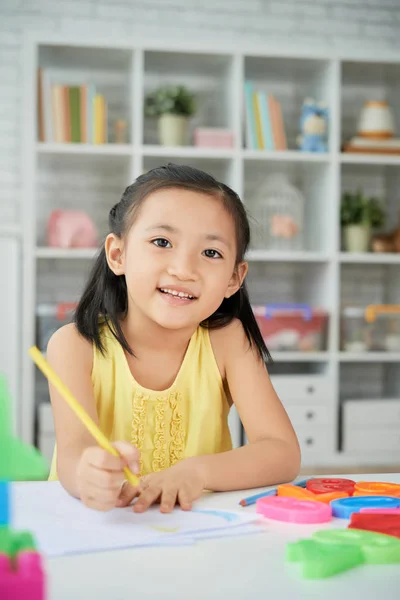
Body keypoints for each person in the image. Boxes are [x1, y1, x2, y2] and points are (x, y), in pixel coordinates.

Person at [47, 163, 300, 514]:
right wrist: (89, 476)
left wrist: (198, 471)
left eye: (211, 253)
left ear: (234, 278)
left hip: (195, 532)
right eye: (162, 242)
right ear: (118, 254)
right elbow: (74, 457)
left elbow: (282, 452)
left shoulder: (227, 342)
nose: (183, 269)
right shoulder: (74, 346)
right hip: (96, 528)